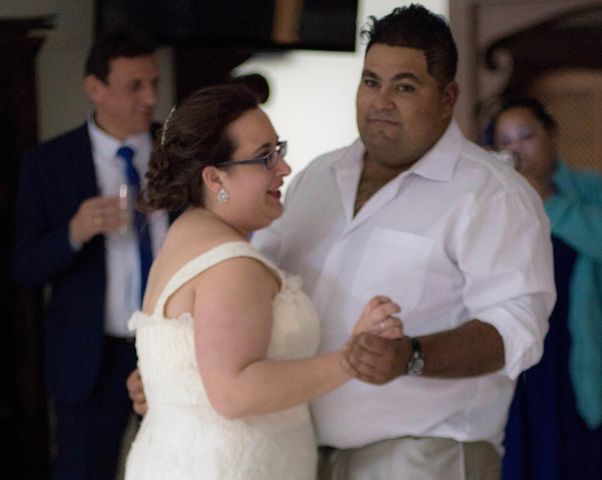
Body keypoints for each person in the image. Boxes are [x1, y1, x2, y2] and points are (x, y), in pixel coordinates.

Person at [129, 5, 555, 479]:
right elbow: (240, 298)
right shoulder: (317, 178)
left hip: (424, 455)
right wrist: (179, 372)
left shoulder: (491, 195)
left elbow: (516, 329)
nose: (381, 101)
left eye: (405, 86)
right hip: (300, 452)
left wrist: (411, 356)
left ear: (447, 96)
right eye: (371, 81)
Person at [123, 84, 403, 480]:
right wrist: (350, 360)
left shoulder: (185, 235)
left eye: (279, 150)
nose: (284, 169)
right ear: (215, 178)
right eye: (264, 158)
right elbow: (233, 392)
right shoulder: (231, 264)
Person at [12, 30, 169, 480]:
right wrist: (73, 233)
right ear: (94, 88)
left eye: (154, 84)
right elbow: (23, 268)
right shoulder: (49, 163)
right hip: (89, 358)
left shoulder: (180, 154)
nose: (150, 99)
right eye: (134, 86)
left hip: (170, 349)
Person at [493, 97, 602, 479]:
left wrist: (548, 202)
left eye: (526, 136)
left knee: (573, 461)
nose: (516, 149)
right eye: (504, 142)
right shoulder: (494, 198)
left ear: (551, 136)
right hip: (513, 352)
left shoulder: (591, 190)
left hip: (574, 352)